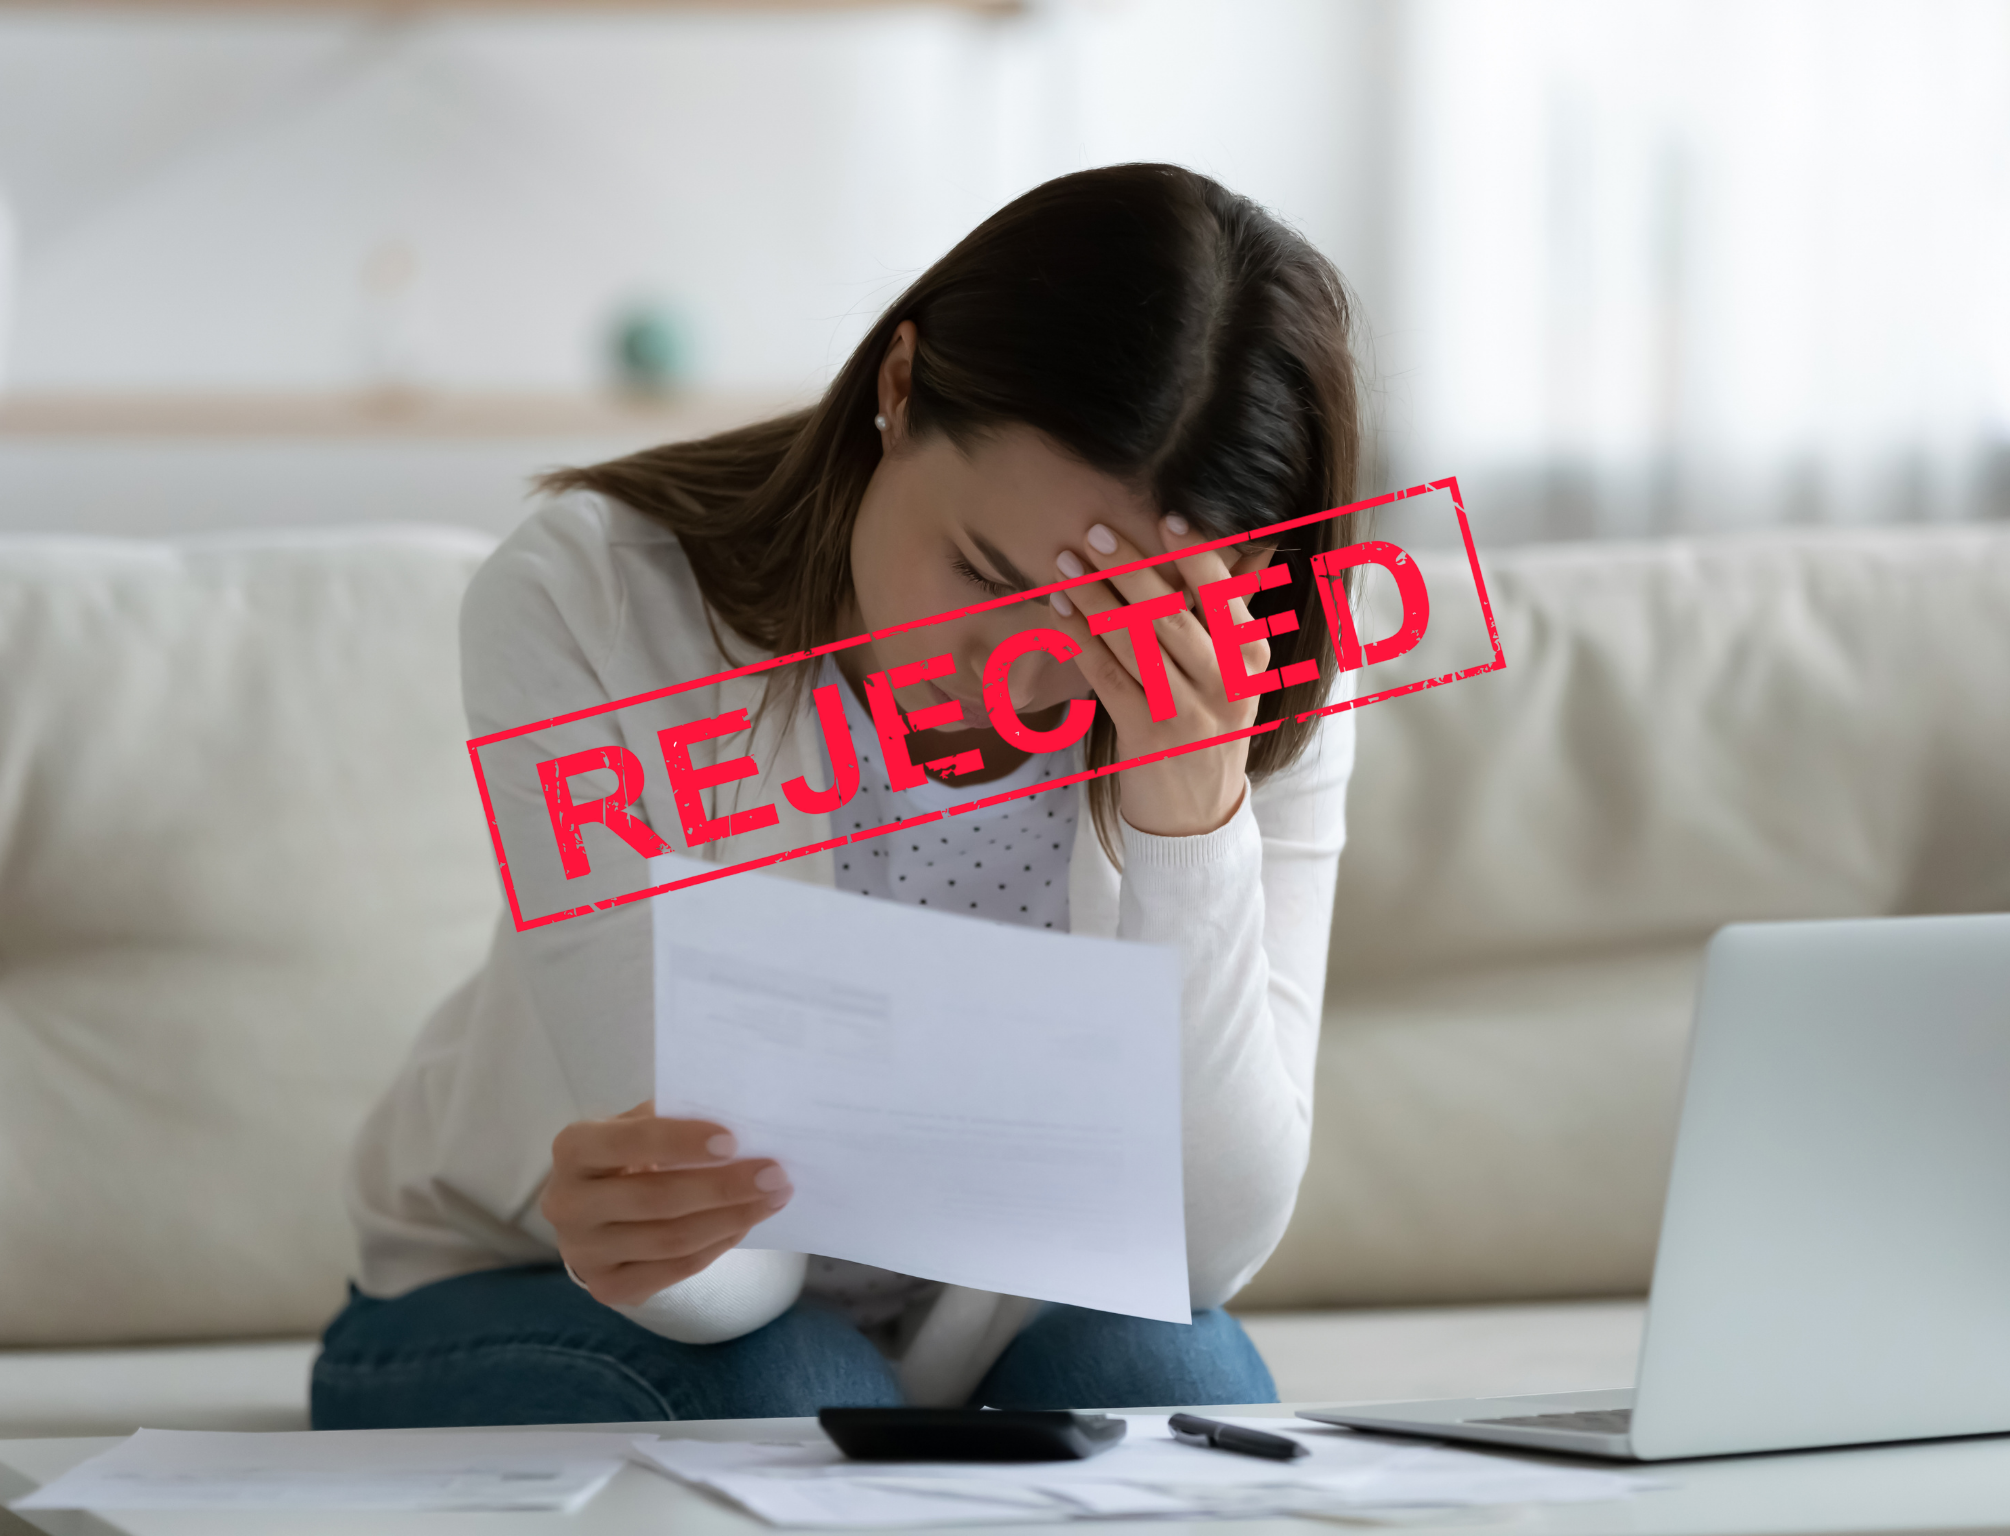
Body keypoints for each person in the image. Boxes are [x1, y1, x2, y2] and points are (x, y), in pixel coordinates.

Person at [312, 162, 1365, 1429]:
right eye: (980, 569)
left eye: (1112, 629)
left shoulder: (1264, 670)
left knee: (1169, 1377)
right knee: (797, 1390)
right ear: (899, 387)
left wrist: (1187, 820)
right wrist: (656, 1239)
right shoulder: (589, 598)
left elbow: (1195, 1262)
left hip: (983, 1318)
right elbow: (729, 1279)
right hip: (537, 1286)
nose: (1020, 683)